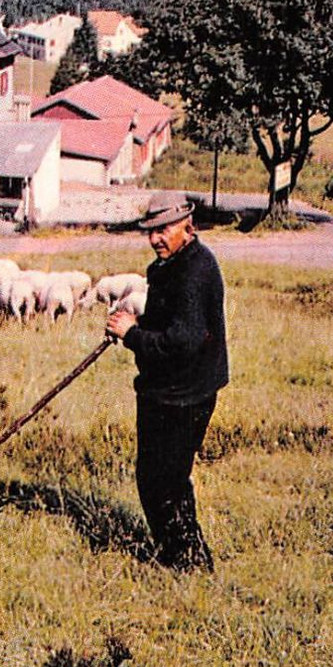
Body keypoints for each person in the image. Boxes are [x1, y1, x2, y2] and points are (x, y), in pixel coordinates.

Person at [104, 192, 228, 573]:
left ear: (187, 226)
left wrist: (133, 337)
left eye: (165, 229)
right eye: (152, 231)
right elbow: (168, 326)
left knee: (163, 481)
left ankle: (186, 562)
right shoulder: (167, 266)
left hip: (184, 394)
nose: (157, 238)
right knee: (164, 478)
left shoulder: (195, 271)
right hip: (167, 389)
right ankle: (183, 555)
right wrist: (136, 328)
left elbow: (184, 341)